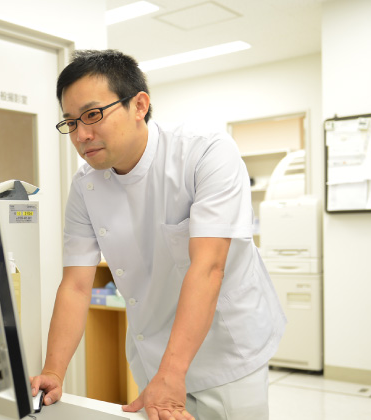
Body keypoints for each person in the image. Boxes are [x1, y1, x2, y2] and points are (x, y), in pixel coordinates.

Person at [30, 49, 286, 420]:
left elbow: (209, 268)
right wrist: (54, 370)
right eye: (71, 122)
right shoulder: (85, 187)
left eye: (93, 115)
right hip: (152, 352)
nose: (81, 134)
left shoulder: (205, 153)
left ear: (139, 105)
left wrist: (172, 373)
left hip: (226, 352)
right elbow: (76, 286)